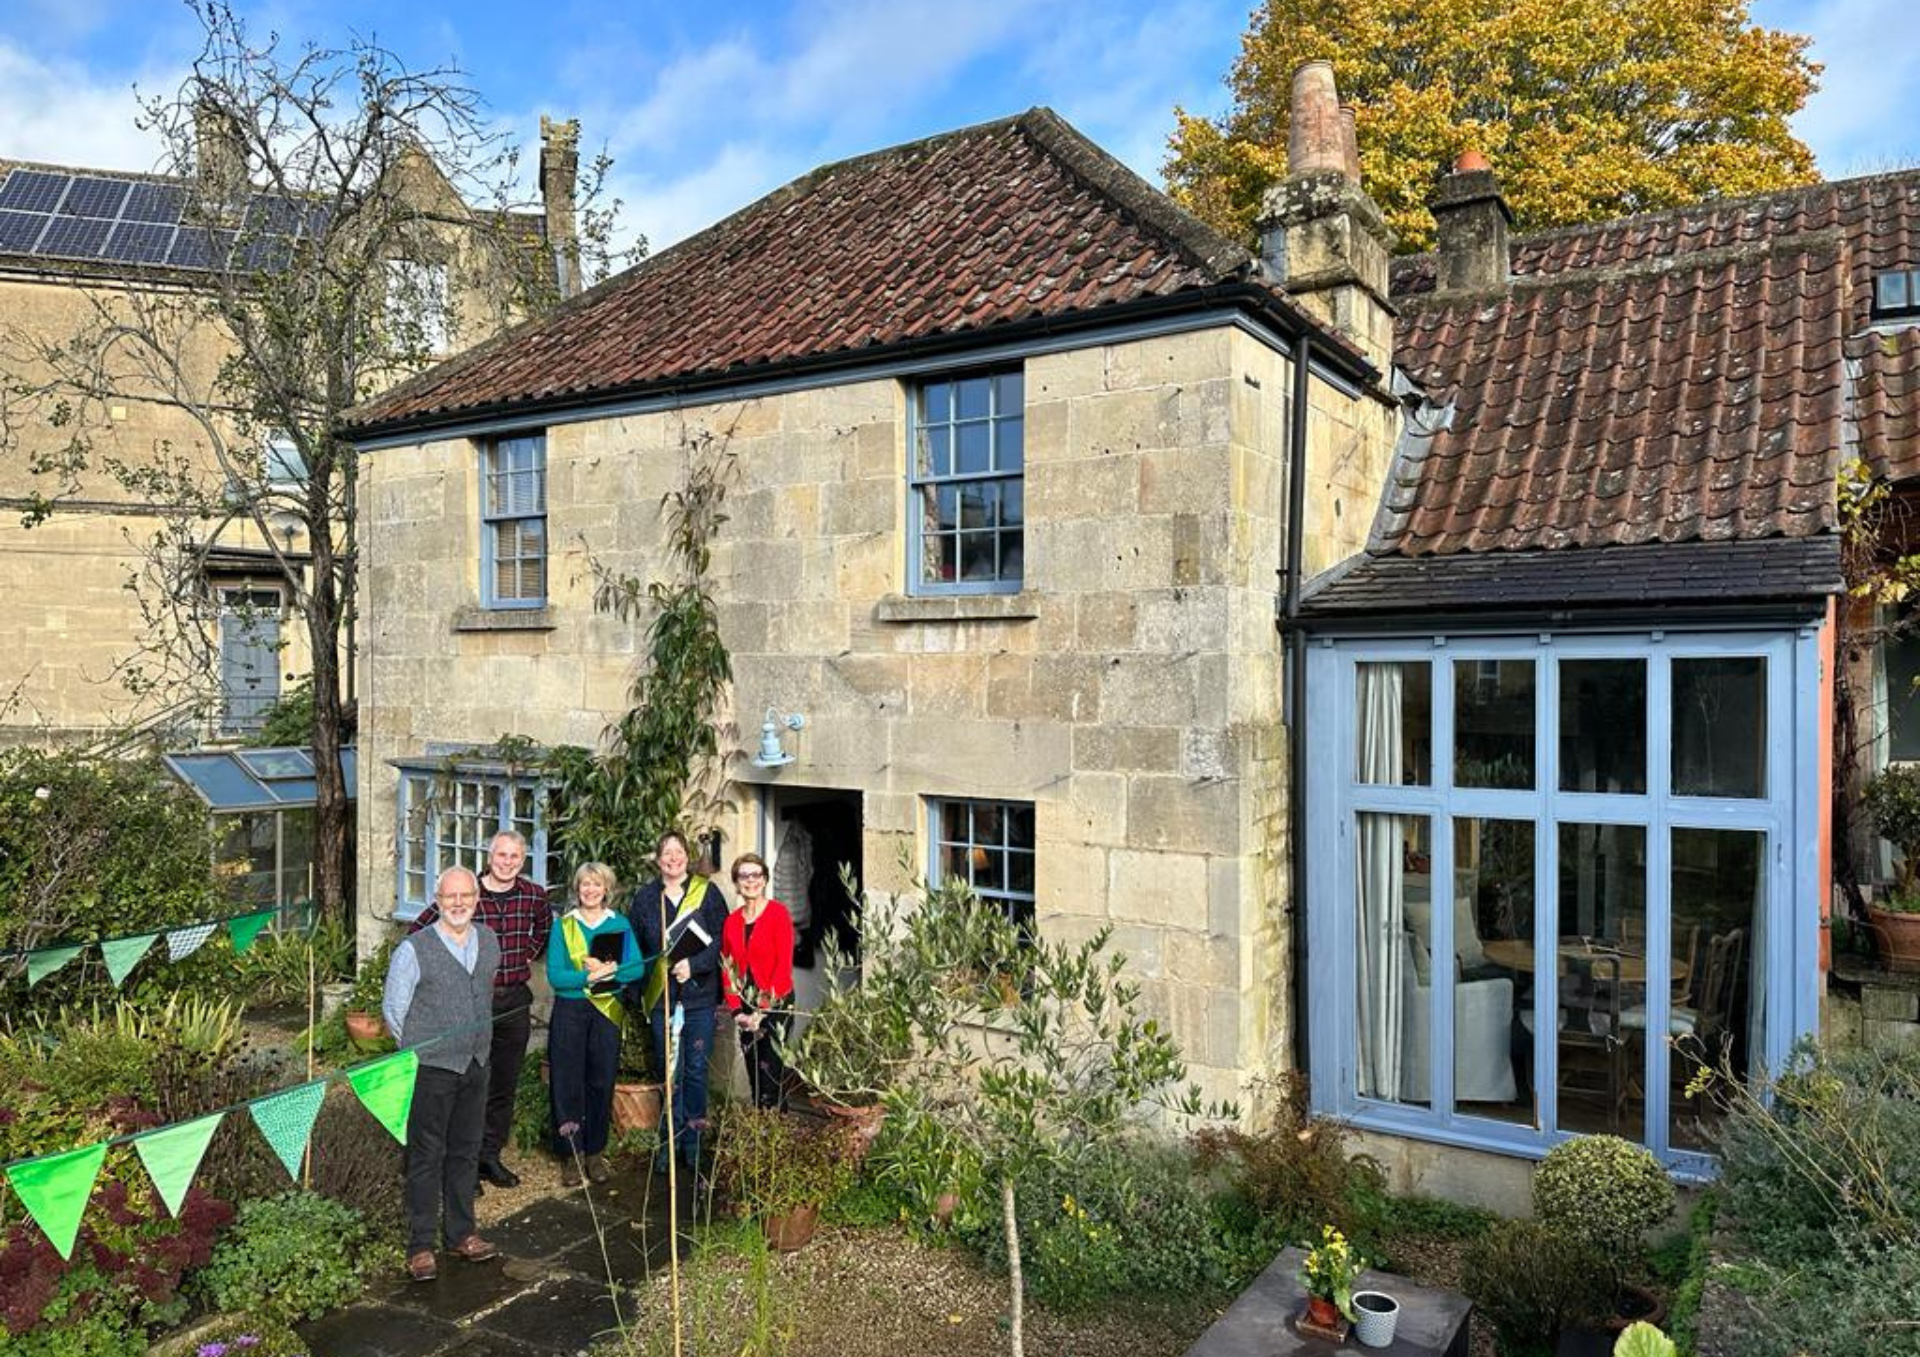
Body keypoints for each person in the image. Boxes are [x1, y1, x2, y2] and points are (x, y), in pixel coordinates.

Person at [411, 830, 549, 1189]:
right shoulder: (468, 893)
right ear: (490, 857)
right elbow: (419, 931)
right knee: (469, 1083)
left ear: (523, 860)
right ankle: (463, 1165)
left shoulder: (533, 896)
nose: (507, 862)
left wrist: (526, 954)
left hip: (514, 999)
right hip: (473, 1004)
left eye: (514, 857)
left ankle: (490, 1155)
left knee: (504, 1083)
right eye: (501, 855)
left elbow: (544, 929)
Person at [383, 866, 502, 1283]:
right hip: (431, 1068)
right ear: (437, 899)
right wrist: (422, 1050)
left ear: (476, 898)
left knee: (466, 1151)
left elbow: (482, 994)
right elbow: (394, 1012)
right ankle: (419, 1246)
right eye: (450, 896)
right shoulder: (413, 949)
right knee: (425, 1155)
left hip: (475, 1063)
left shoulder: (489, 941)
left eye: (466, 896)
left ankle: (462, 1233)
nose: (458, 903)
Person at [626, 830, 728, 1174]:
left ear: (687, 856)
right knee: (670, 1072)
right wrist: (635, 992)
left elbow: (720, 941)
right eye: (666, 853)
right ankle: (670, 1140)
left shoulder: (707, 894)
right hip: (662, 1001)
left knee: (696, 1070)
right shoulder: (644, 899)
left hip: (698, 998)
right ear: (658, 860)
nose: (673, 858)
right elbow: (637, 949)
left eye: (678, 852)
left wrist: (694, 964)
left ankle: (694, 1141)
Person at [545, 862, 647, 1186]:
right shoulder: (563, 926)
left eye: (597, 884)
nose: (590, 890)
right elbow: (556, 977)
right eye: (584, 884)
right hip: (569, 1012)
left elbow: (637, 970)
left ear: (607, 889)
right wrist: (588, 976)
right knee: (566, 1082)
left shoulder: (619, 924)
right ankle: (571, 1156)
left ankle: (595, 1153)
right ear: (578, 889)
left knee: (601, 1082)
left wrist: (610, 971)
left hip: (605, 1013)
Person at [721, 852, 796, 1109]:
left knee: (771, 1074)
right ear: (736, 882)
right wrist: (736, 1011)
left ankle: (777, 1138)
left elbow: (783, 967)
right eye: (743, 875)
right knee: (755, 1073)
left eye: (756, 875)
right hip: (746, 1005)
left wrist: (762, 1010)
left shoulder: (778, 913)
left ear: (764, 880)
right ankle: (760, 1135)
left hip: (776, 1003)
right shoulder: (731, 922)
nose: (750, 880)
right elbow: (727, 967)